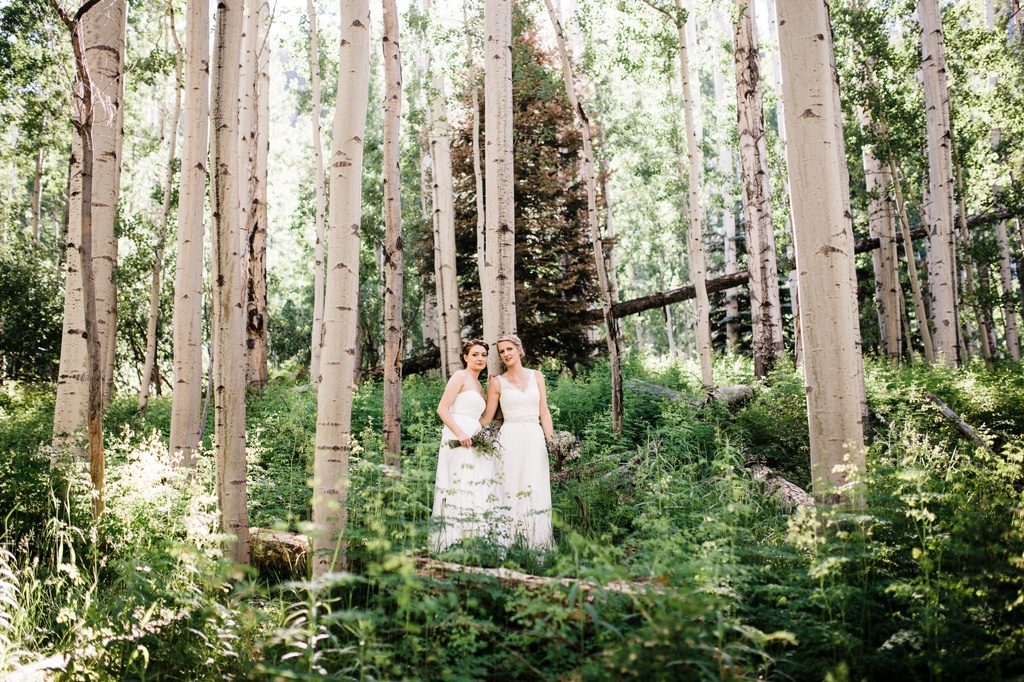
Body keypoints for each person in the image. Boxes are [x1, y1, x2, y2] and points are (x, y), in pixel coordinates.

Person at [481, 333, 553, 549]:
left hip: (533, 436)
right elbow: (487, 418)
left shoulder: (537, 376)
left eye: (509, 349)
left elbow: (545, 413)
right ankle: (507, 542)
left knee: (534, 485)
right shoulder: (497, 382)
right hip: (509, 437)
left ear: (519, 350)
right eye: (501, 352)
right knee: (508, 486)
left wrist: (553, 444)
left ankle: (535, 542)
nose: (505, 354)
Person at [430, 340, 496, 551]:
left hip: (475, 437)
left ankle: (475, 537)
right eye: (475, 354)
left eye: (484, 355)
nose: (480, 359)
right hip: (458, 435)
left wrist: (495, 391)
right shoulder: (460, 376)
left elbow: (483, 419)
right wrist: (460, 433)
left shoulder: (478, 385)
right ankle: (453, 539)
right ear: (466, 357)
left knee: (475, 482)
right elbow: (442, 409)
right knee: (459, 482)